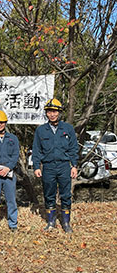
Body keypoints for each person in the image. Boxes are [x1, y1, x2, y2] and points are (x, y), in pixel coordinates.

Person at [32, 99, 78, 233]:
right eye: (49, 112)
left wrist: (74, 165)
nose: (52, 114)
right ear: (46, 113)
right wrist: (36, 167)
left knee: (66, 195)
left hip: (64, 166)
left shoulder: (68, 129)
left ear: (59, 112)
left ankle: (66, 223)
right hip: (48, 167)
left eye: (55, 111)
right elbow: (37, 150)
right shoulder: (41, 130)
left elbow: (73, 149)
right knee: (49, 195)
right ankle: (51, 222)